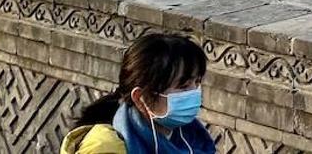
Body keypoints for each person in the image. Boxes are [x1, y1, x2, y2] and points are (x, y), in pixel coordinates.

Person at [61, 32, 215, 154]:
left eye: (197, 82)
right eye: (183, 86)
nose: (194, 93)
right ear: (141, 98)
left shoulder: (191, 138)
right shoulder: (105, 147)